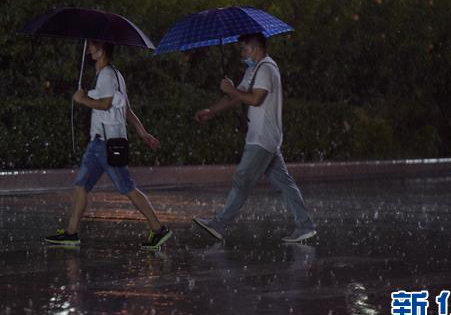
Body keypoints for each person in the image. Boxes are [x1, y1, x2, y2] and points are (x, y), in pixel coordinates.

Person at [45, 40, 172, 249]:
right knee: (80, 186)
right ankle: (71, 233)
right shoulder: (115, 75)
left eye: (93, 46)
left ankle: (158, 229)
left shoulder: (106, 75)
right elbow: (127, 109)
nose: (89, 49)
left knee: (127, 188)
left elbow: (105, 104)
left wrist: (82, 99)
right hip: (99, 143)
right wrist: (142, 132)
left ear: (101, 50)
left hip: (106, 143)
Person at [192, 33, 316, 243]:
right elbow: (236, 95)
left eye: (245, 49)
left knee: (242, 179)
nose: (242, 54)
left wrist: (232, 90)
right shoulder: (254, 69)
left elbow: (256, 99)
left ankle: (219, 224)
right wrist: (211, 110)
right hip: (264, 137)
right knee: (284, 183)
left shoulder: (267, 68)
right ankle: (305, 225)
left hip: (262, 137)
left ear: (256, 49)